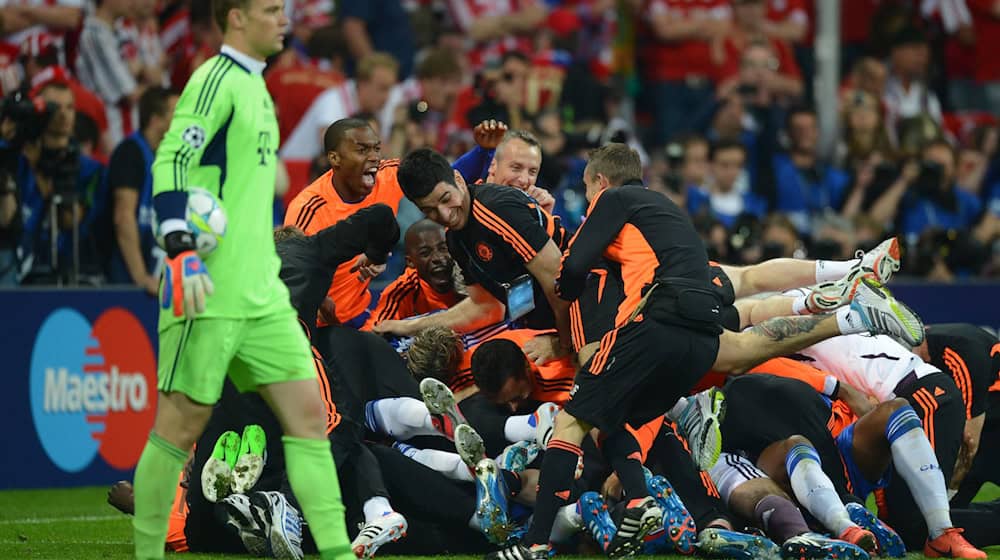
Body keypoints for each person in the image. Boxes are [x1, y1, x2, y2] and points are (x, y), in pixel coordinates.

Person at [132, 1, 354, 559]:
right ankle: (147, 553)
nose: (284, 18)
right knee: (178, 429)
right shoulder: (214, 80)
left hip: (264, 297)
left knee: (308, 421)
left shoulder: (259, 88)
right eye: (270, 9)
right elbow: (170, 164)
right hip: (209, 291)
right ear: (235, 17)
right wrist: (180, 249)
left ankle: (333, 551)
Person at [377, 147, 571, 354]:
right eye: (429, 210)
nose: (444, 215)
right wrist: (407, 327)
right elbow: (485, 307)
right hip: (545, 326)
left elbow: (558, 278)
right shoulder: (455, 238)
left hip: (582, 312)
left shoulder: (496, 210)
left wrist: (564, 344)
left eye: (445, 199)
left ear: (458, 179)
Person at [109, 86, 178, 294]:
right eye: (179, 114)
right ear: (156, 120)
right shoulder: (130, 153)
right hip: (121, 283)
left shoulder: (169, 161)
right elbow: (124, 217)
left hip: (154, 280)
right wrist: (141, 277)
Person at [363, 219, 461, 328]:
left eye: (443, 248)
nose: (438, 258)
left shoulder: (471, 273)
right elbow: (376, 331)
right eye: (425, 253)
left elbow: (479, 308)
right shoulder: (402, 290)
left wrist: (408, 327)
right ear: (410, 262)